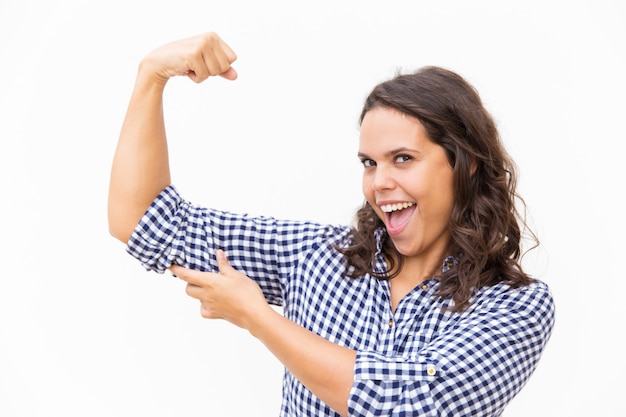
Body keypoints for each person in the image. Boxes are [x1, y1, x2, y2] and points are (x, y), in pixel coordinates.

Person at [108, 32, 555, 417]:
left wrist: (258, 318)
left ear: (466, 163)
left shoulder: (516, 307)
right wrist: (152, 76)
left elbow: (411, 405)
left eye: (403, 159)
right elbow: (144, 220)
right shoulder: (316, 256)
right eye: (369, 163)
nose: (379, 183)